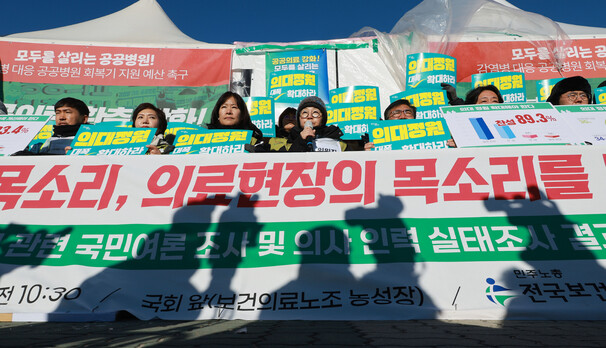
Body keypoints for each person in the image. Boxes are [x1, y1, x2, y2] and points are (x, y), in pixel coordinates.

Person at [12, 97, 89, 155]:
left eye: (67, 112)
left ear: (84, 119)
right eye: (58, 113)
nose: (62, 117)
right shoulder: (41, 144)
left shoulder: (91, 142)